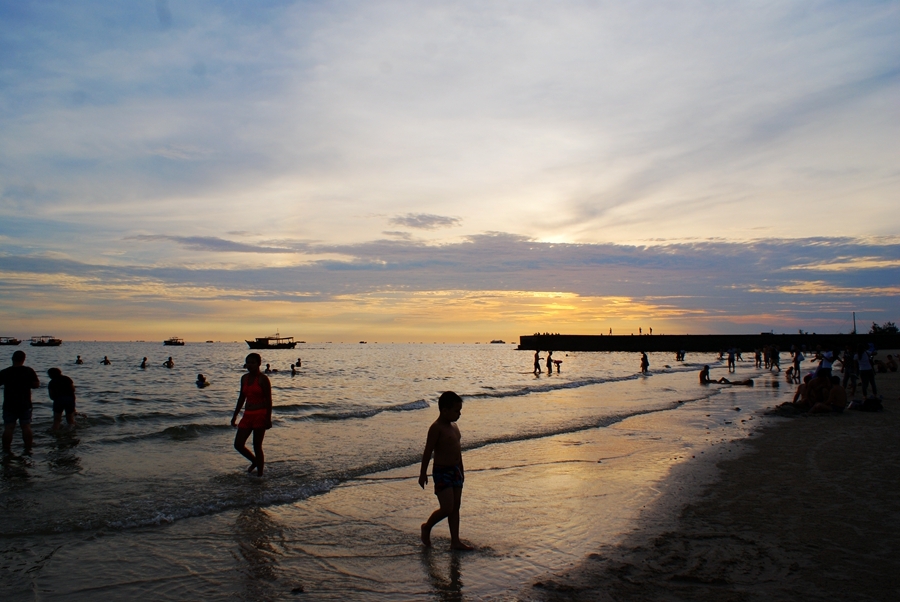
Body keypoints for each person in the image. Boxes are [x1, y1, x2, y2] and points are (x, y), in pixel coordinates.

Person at [419, 391, 473, 550]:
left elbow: (458, 450)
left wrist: (462, 469)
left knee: (456, 507)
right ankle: (427, 526)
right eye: (456, 410)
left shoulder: (454, 427)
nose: (459, 414)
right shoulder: (436, 428)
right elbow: (428, 451)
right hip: (442, 471)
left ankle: (455, 541)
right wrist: (423, 473)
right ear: (444, 410)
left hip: (456, 470)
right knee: (447, 507)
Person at [231, 353, 272, 476]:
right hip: (247, 415)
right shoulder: (244, 378)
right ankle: (255, 461)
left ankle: (260, 475)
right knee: (238, 444)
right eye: (248, 362)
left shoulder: (263, 379)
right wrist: (235, 415)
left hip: (260, 414)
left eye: (252, 363)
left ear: (259, 364)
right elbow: (241, 398)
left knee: (257, 446)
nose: (249, 365)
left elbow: (269, 400)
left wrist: (268, 419)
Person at [1, 350, 40, 453]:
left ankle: (6, 449)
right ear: (24, 359)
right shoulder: (28, 371)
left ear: (12, 358)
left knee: (9, 427)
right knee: (26, 426)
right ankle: (28, 448)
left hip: (9, 403)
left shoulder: (5, 372)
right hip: (25, 403)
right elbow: (36, 385)